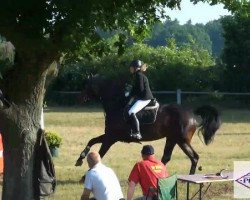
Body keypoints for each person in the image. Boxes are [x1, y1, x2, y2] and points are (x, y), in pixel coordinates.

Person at [128, 60, 154, 140]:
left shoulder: (139, 76)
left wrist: (131, 95)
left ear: (136, 68)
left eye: (131, 67)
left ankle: (137, 133)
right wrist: (129, 94)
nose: (130, 69)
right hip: (143, 97)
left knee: (131, 112)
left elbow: (140, 89)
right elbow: (136, 89)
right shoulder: (138, 75)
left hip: (144, 98)